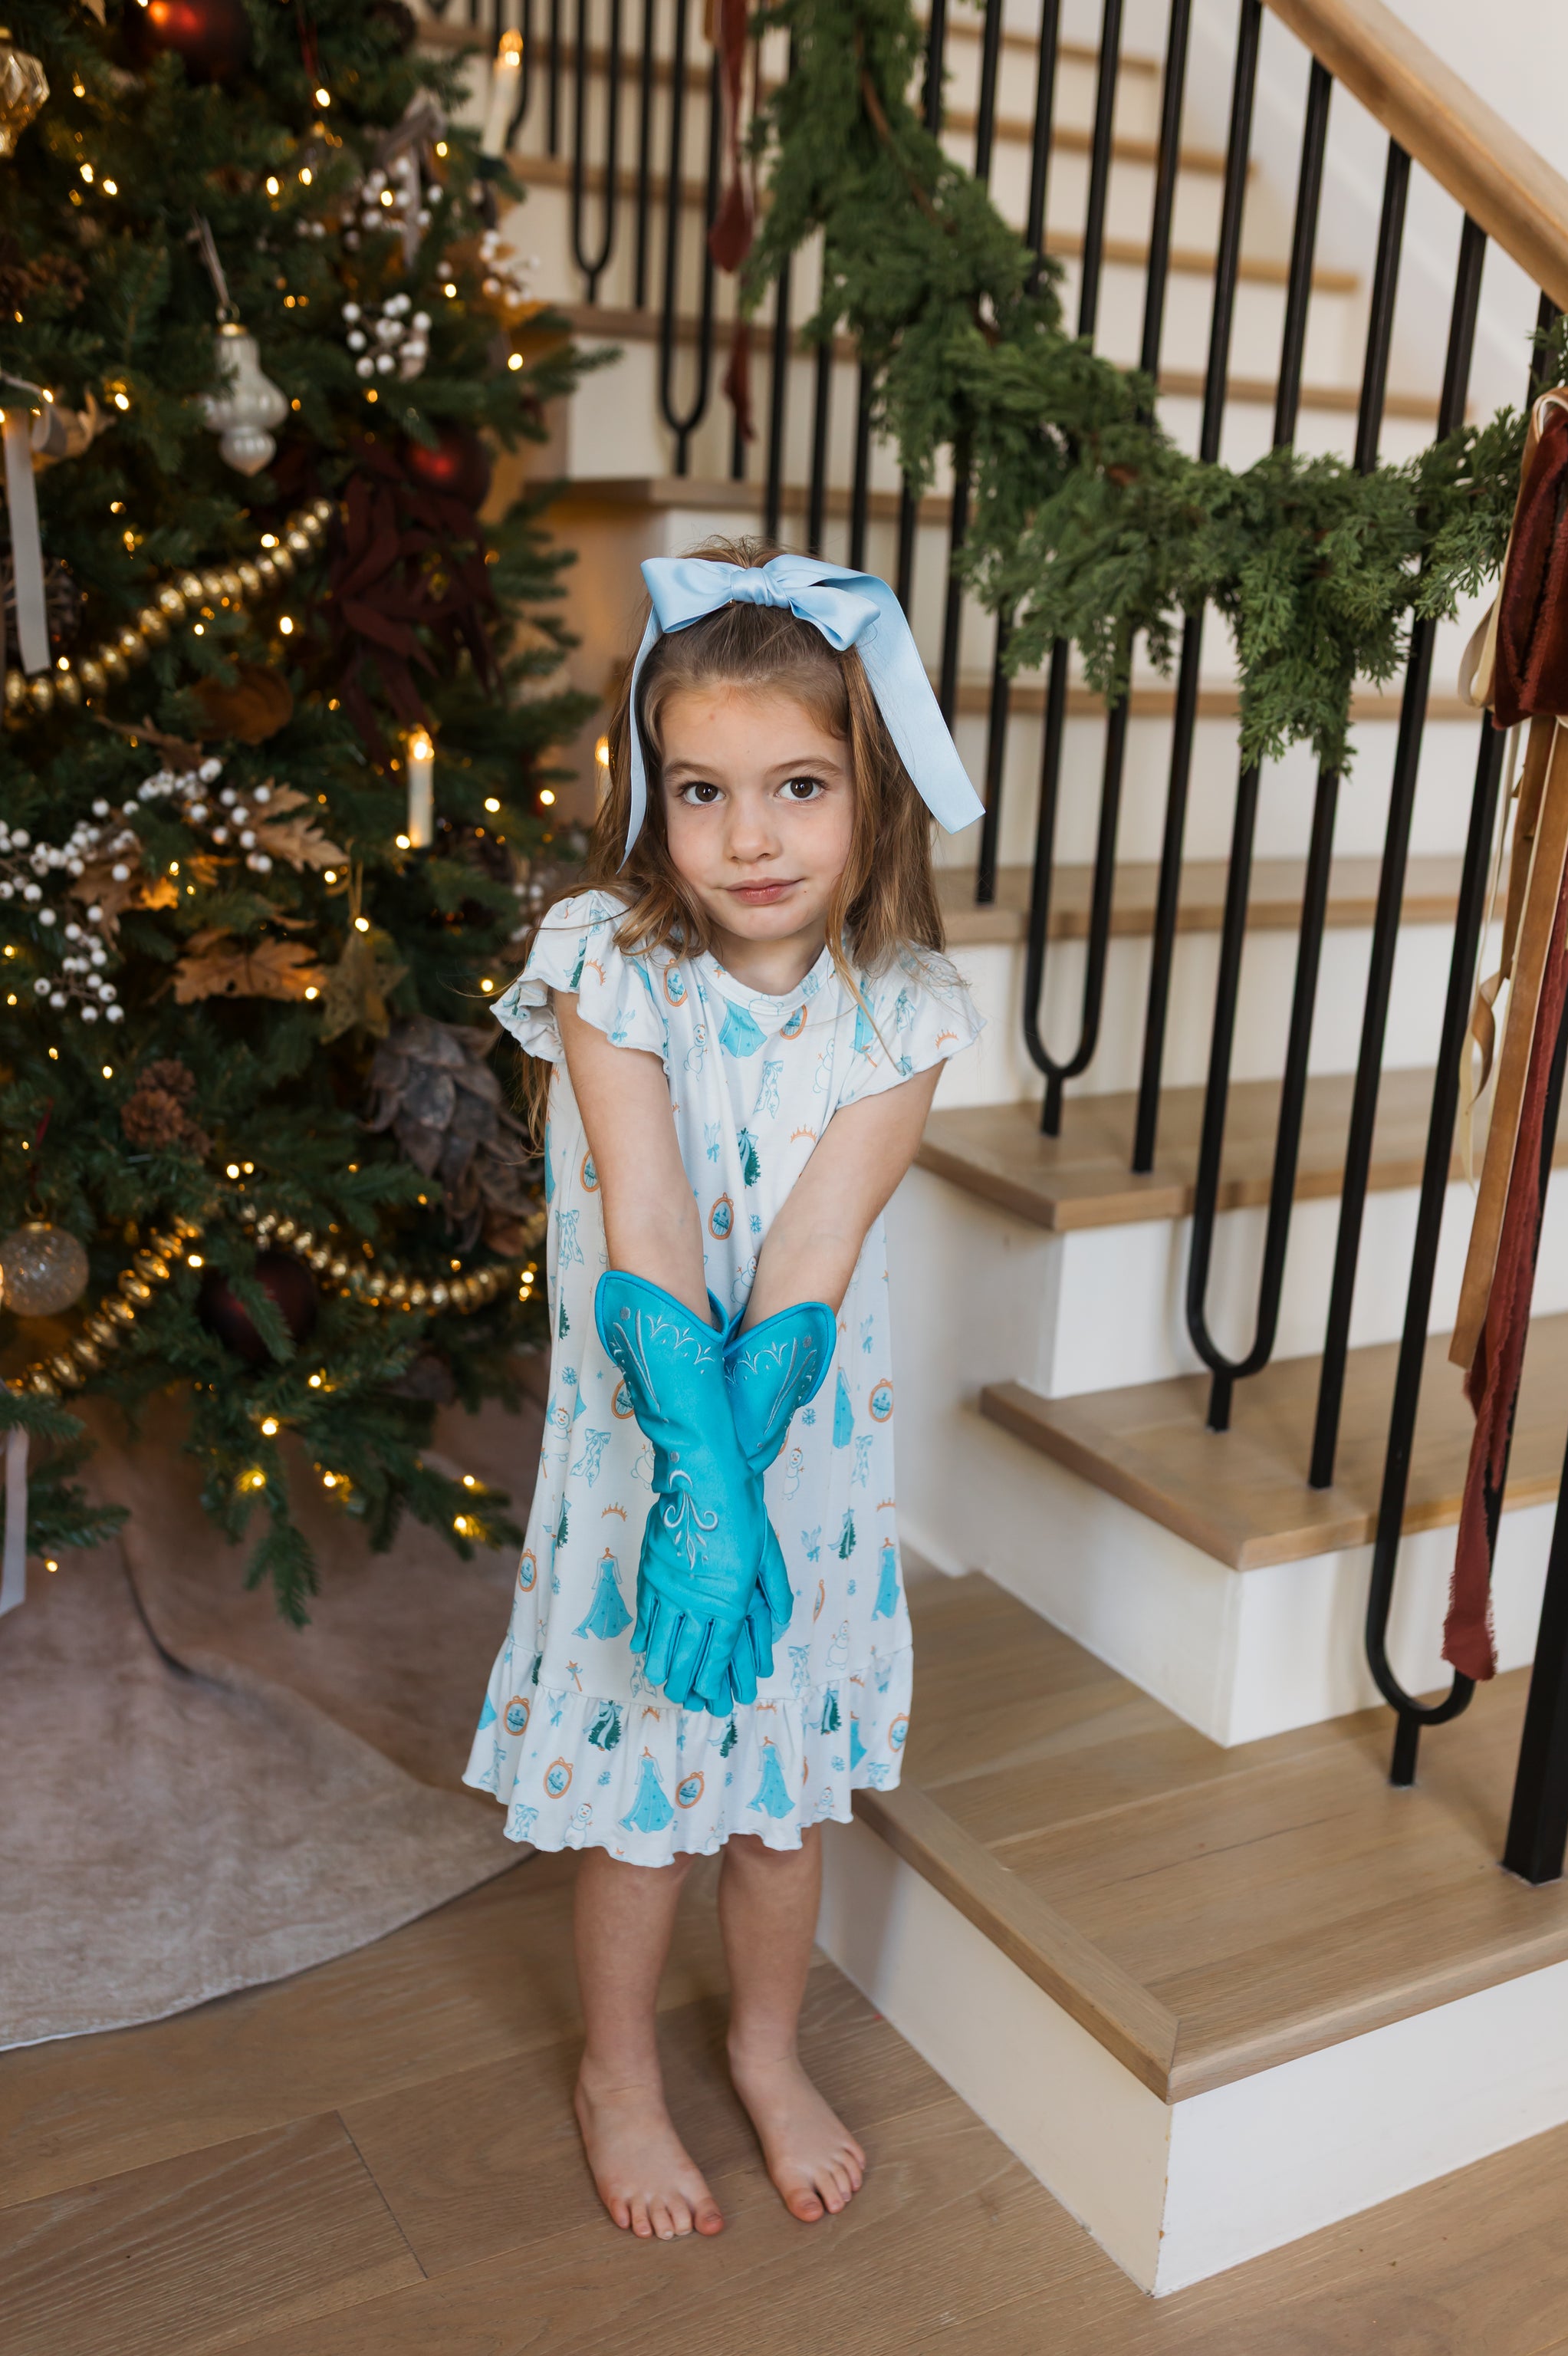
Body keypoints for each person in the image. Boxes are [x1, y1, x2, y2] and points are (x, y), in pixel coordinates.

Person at [465, 537, 984, 2242]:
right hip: (650, 1455)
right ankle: (617, 2070)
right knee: (647, 1812)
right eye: (702, 792)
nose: (749, 838)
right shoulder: (606, 967)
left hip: (805, 1468)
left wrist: (750, 1493)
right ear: (654, 799)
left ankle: (765, 2049)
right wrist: (696, 1490)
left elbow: (811, 1264)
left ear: (870, 795)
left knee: (779, 1801)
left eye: (798, 788)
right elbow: (652, 1236)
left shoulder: (901, 1011)